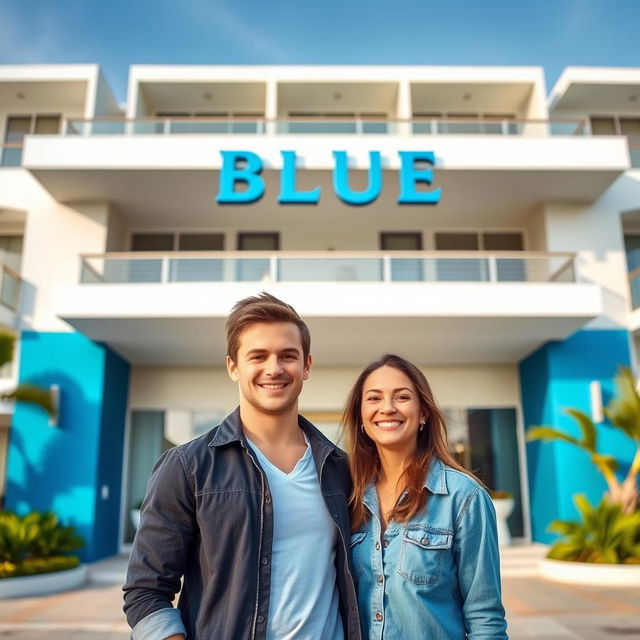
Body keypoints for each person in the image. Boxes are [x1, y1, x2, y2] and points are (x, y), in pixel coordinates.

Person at [123, 292, 361, 640]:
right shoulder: (188, 467)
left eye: (288, 355)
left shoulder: (341, 468)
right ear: (233, 366)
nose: (274, 368)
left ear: (306, 365)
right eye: (258, 356)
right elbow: (145, 591)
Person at [343, 354, 508, 639]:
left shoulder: (463, 497)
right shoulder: (348, 495)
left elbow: (485, 617)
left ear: (423, 413)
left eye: (402, 397)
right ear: (360, 417)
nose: (387, 408)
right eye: (374, 398)